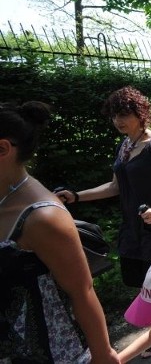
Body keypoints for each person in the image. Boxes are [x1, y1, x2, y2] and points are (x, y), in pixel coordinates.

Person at [56, 86, 151, 358]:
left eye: (124, 114)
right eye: (114, 115)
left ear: (141, 114)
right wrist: (76, 196)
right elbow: (115, 186)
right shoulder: (125, 146)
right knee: (141, 280)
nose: (118, 120)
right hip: (132, 224)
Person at [0, 101, 119, 363]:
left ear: (3, 148)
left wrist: (104, 354)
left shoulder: (42, 218)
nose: (118, 121)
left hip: (49, 353)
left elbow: (82, 291)